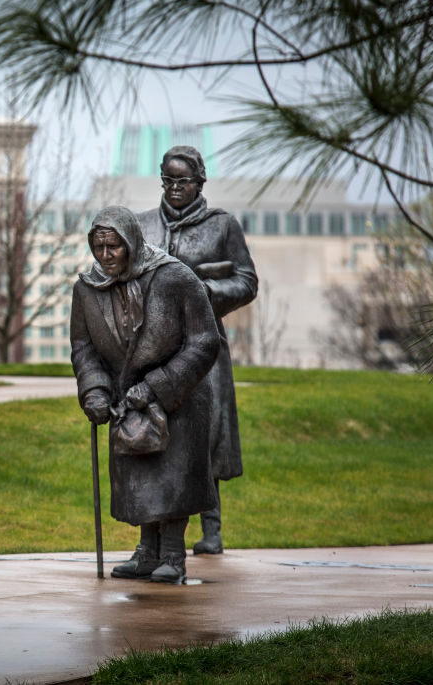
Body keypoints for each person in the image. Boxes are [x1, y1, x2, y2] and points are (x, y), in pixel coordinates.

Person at [71, 206, 220, 583]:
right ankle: (147, 551)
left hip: (179, 397)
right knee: (141, 476)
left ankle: (172, 552)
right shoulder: (87, 289)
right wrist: (95, 390)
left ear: (132, 243)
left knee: (174, 477)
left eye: (114, 247)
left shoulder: (174, 277)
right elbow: (83, 347)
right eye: (98, 248)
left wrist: (158, 386)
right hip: (127, 399)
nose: (105, 256)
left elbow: (205, 342)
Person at [136, 146, 258, 555]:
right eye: (167, 180)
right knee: (157, 435)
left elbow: (247, 281)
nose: (174, 188)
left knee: (207, 433)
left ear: (199, 182)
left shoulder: (222, 227)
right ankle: (154, 539)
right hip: (153, 349)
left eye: (182, 181)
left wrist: (209, 292)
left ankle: (212, 528)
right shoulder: (143, 226)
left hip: (204, 346)